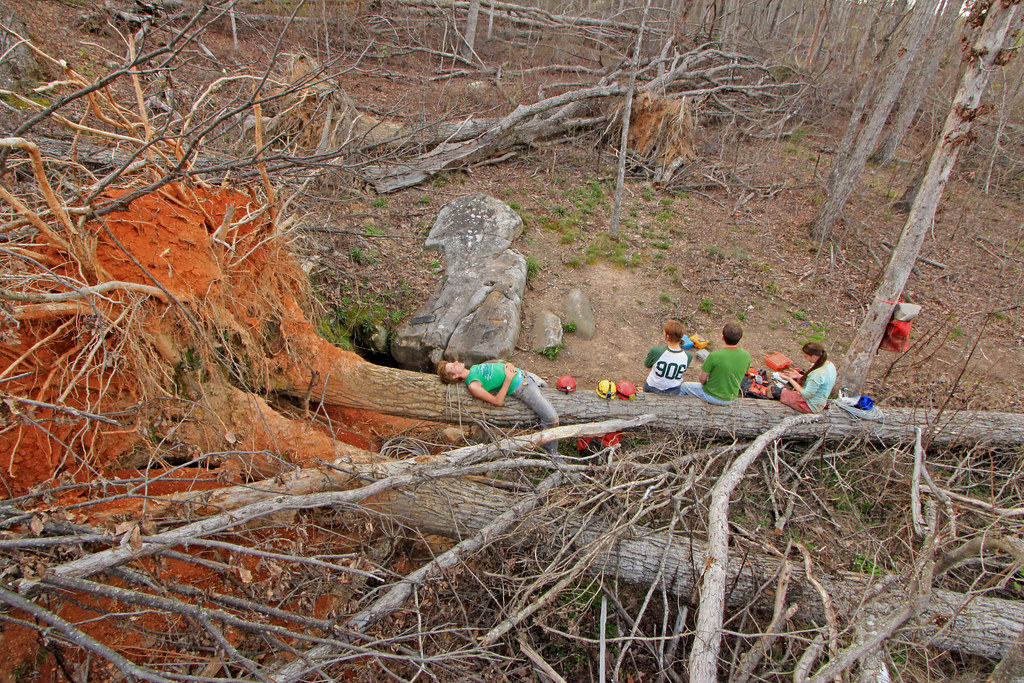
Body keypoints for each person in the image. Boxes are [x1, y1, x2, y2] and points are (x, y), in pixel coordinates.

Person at [437, 360, 559, 454]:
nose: (456, 362)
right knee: (551, 418)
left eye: (452, 362)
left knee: (555, 397)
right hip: (523, 388)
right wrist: (508, 378)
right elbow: (497, 401)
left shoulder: (474, 368)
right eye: (453, 366)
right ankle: (552, 456)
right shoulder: (473, 385)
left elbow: (499, 367)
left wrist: (509, 364)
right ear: (454, 376)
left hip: (527, 375)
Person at [678, 322, 750, 406]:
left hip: (711, 395)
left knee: (684, 386)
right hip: (731, 398)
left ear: (722, 337)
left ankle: (679, 406)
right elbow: (744, 372)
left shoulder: (714, 356)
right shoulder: (746, 356)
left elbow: (702, 379)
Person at [776, 342, 836, 413]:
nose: (805, 358)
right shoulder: (829, 365)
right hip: (818, 400)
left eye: (806, 356)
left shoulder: (818, 374)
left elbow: (806, 394)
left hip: (810, 405)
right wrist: (799, 376)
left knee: (773, 391)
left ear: (814, 357)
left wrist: (790, 379)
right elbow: (817, 383)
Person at [643, 319, 693, 395]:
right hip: (674, 390)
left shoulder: (656, 351)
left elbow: (647, 365)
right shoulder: (688, 356)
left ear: (667, 336)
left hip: (652, 387)